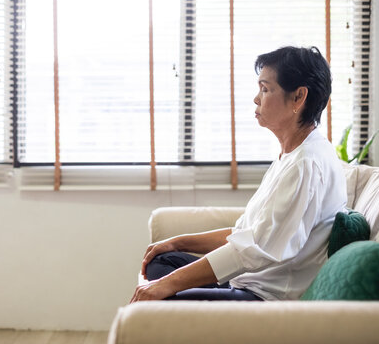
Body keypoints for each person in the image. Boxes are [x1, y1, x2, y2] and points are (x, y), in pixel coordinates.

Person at [130, 46, 347, 302]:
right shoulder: (291, 156)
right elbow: (245, 233)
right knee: (161, 261)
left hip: (265, 296)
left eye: (266, 89)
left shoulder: (306, 164)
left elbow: (253, 250)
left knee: (162, 293)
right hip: (245, 280)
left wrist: (166, 285)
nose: (257, 98)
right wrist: (178, 243)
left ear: (299, 97)